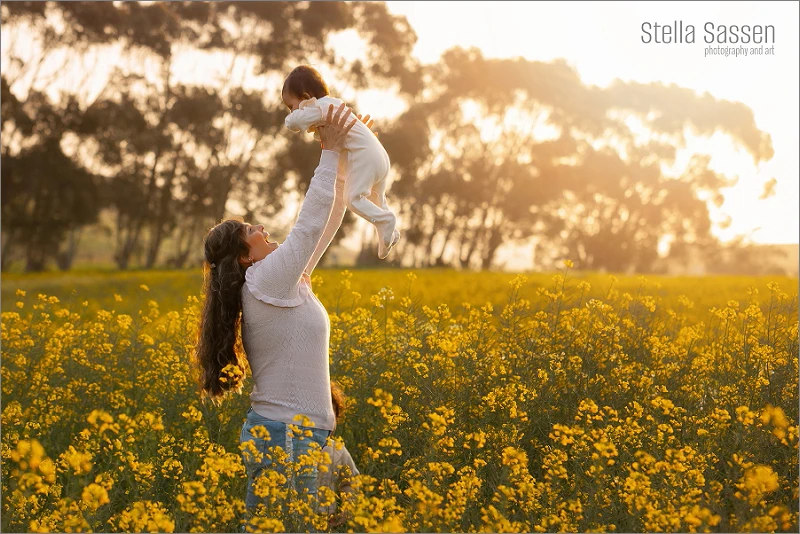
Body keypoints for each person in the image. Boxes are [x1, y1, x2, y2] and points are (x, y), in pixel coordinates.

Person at [194, 102, 366, 527]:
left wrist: (348, 146)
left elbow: (327, 220)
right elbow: (307, 226)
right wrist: (327, 149)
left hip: (307, 438)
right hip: (285, 440)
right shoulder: (265, 281)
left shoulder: (281, 283)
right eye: (253, 231)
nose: (263, 229)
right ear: (243, 256)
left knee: (357, 514)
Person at [282, 65, 401, 259]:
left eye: (291, 106)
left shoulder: (322, 107)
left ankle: (386, 221)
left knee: (352, 198)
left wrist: (293, 115)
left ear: (305, 97)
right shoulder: (335, 105)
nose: (291, 111)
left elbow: (295, 123)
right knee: (377, 198)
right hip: (379, 155)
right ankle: (390, 233)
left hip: (365, 157)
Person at [317, 381, 360, 525]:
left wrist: (347, 509)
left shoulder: (338, 450)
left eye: (331, 414)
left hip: (325, 523)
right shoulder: (291, 447)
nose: (325, 421)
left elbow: (351, 481)